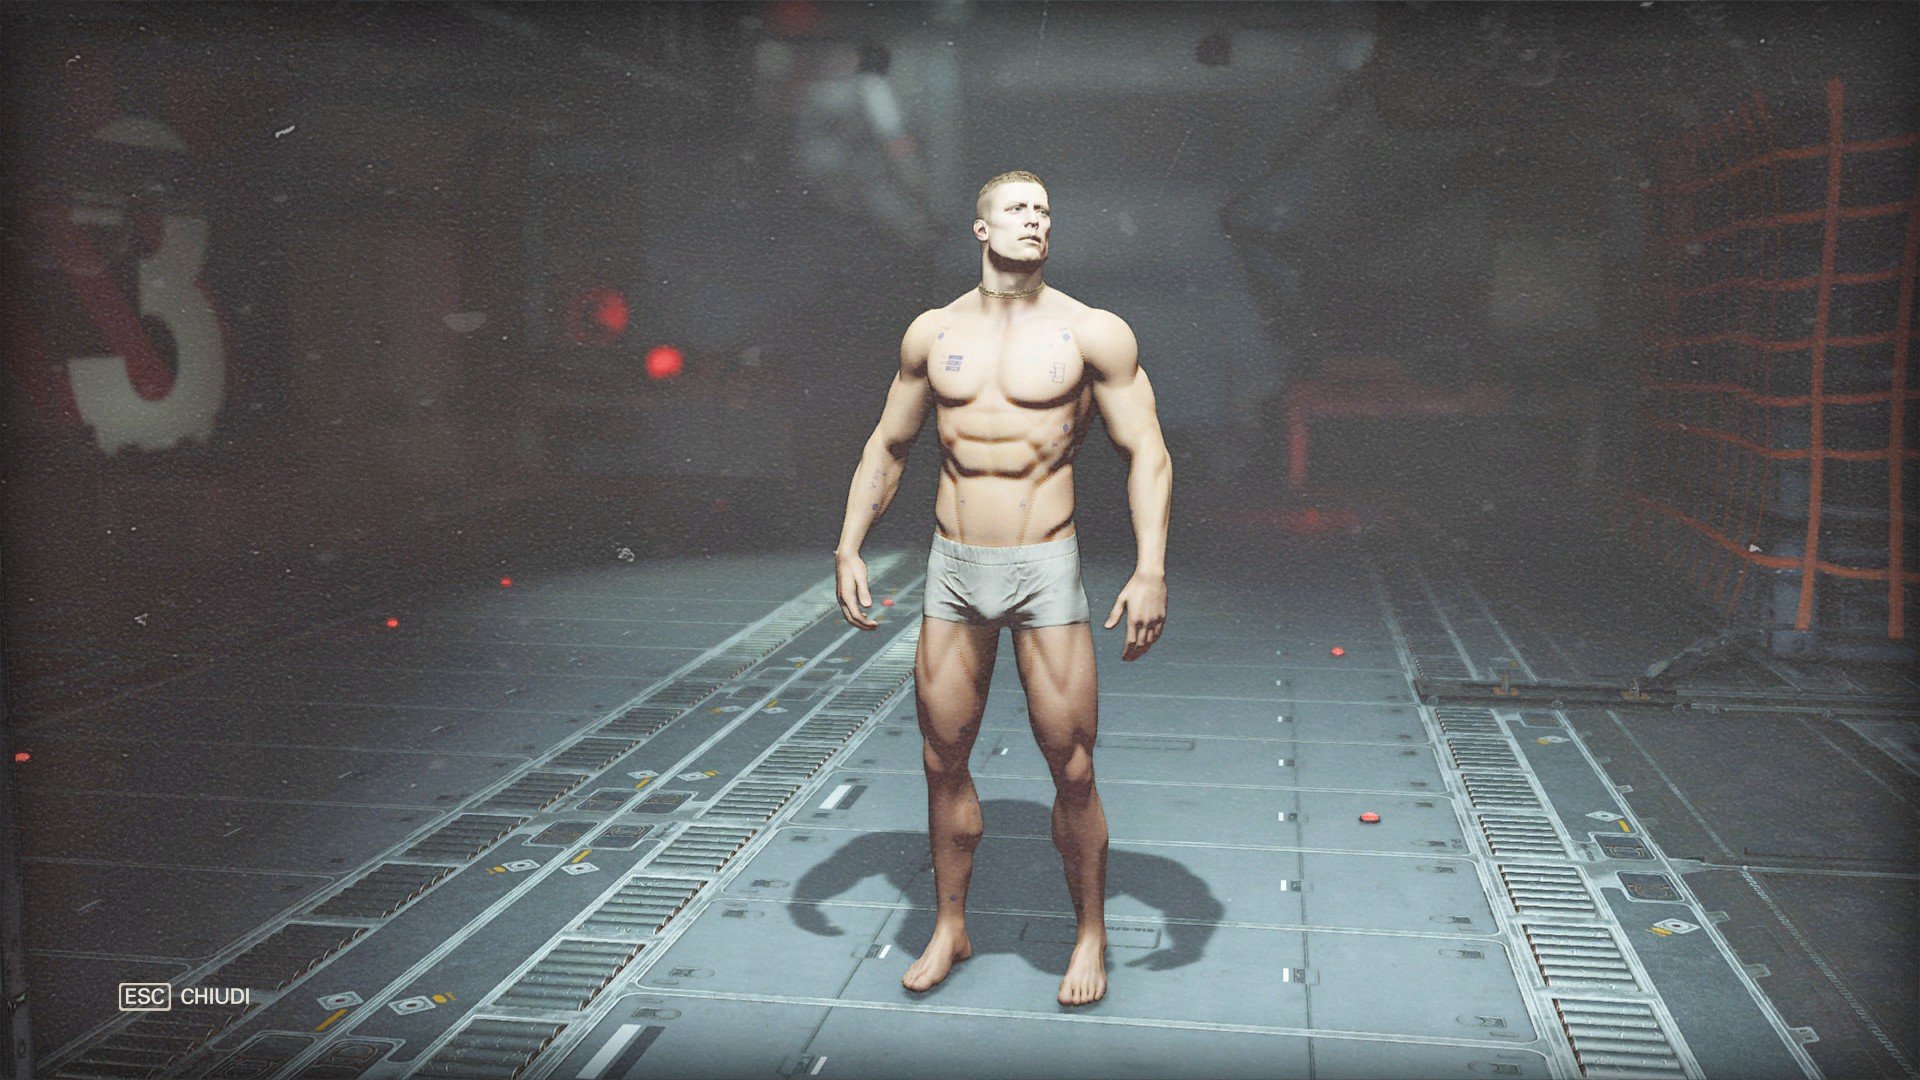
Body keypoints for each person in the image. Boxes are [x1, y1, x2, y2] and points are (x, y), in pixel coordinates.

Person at [833, 170, 1172, 1007]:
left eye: (1045, 211)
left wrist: (1151, 568)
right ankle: (950, 926)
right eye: (1018, 209)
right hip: (954, 568)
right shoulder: (933, 332)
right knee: (940, 759)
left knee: (1073, 767)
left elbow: (1147, 452)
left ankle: (1089, 933)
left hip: (1044, 566)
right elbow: (888, 445)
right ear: (980, 229)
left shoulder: (1092, 332)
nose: (1035, 221)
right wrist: (848, 546)